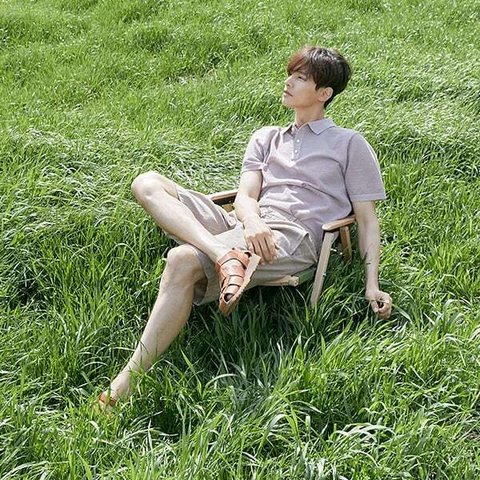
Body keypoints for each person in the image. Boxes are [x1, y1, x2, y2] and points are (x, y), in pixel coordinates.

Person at [98, 46, 393, 410]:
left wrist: (371, 284)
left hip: (292, 235)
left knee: (182, 259)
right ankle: (224, 255)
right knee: (147, 183)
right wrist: (251, 220)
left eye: (300, 78)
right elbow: (245, 196)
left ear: (324, 93)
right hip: (246, 223)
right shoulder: (266, 137)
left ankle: (124, 384)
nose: (288, 81)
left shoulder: (349, 144)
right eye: (290, 74)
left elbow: (367, 219)